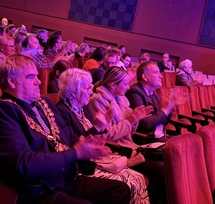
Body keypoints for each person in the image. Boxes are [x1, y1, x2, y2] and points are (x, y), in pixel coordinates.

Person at [0, 54, 131, 203]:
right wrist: (76, 153)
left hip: (64, 179)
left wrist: (92, 138)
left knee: (120, 189)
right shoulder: (3, 110)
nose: (39, 82)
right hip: (39, 189)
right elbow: (24, 163)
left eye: (37, 76)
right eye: (31, 77)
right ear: (12, 81)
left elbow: (70, 139)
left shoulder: (44, 103)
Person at [56, 68, 150, 204]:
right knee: (129, 184)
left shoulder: (83, 108)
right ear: (72, 91)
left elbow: (101, 137)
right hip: (83, 167)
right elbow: (75, 144)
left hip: (97, 159)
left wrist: (102, 129)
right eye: (86, 88)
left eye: (90, 87)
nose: (91, 90)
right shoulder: (62, 111)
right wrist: (98, 128)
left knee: (138, 178)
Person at [89, 66, 167, 204]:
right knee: (162, 172)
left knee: (167, 163)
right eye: (125, 83)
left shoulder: (121, 99)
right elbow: (105, 135)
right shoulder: (97, 100)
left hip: (129, 146)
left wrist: (135, 119)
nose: (128, 86)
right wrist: (130, 120)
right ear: (113, 85)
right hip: (116, 151)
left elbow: (129, 131)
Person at [126, 61, 174, 134]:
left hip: (159, 135)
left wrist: (171, 108)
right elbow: (145, 124)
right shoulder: (134, 92)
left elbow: (160, 118)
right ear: (145, 77)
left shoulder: (154, 92)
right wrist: (165, 110)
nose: (160, 76)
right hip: (144, 139)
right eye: (156, 72)